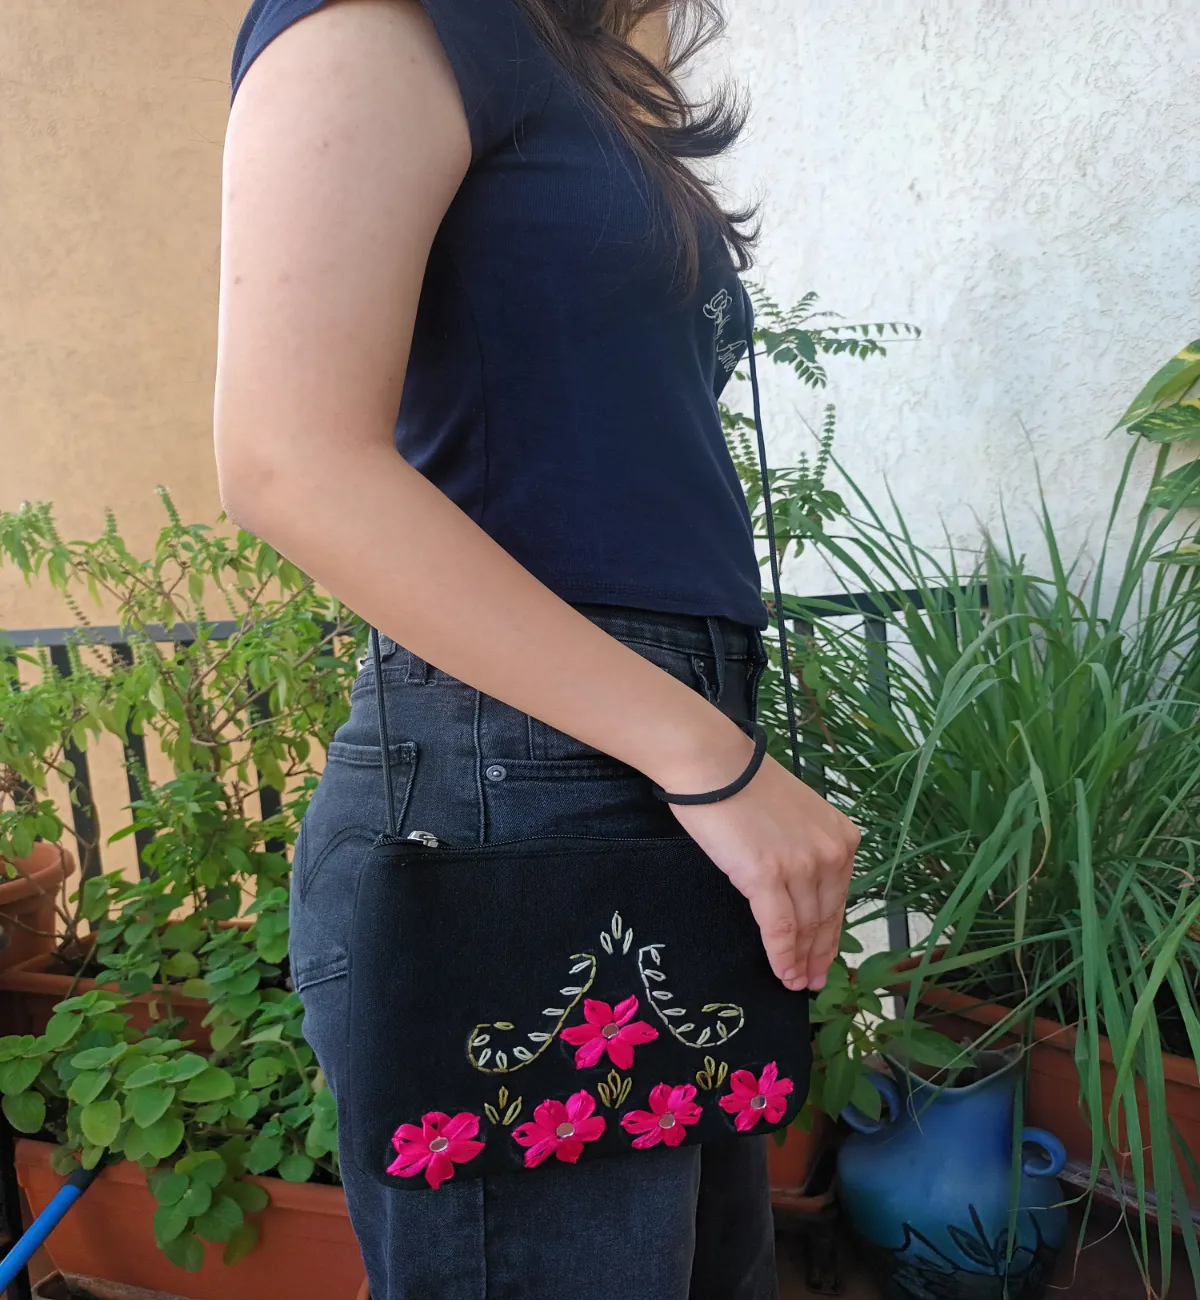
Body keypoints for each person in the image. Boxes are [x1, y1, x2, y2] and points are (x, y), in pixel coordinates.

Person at [213, 2, 859, 1296]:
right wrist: (711, 762)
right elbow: (288, 459)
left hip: (630, 769)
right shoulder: (387, 19)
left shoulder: (565, 54)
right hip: (521, 791)